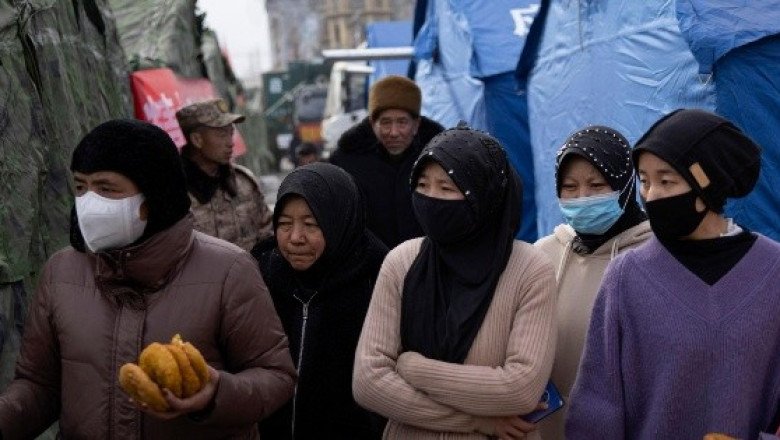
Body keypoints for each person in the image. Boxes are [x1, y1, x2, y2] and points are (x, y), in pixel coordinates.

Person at [0, 119, 296, 439]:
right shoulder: (61, 273)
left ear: (151, 197)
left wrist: (216, 393)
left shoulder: (228, 270)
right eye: (81, 187)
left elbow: (276, 376)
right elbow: (38, 385)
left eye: (106, 188)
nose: (88, 203)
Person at [566, 109, 780, 439]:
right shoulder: (627, 277)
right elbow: (597, 406)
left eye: (666, 181)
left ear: (707, 183)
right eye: (644, 181)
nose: (651, 196)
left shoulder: (773, 271)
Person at [352, 126, 557, 439]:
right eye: (422, 185)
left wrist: (413, 368)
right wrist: (475, 421)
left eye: (447, 188)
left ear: (484, 195)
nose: (431, 199)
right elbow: (368, 382)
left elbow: (520, 389)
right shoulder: (402, 262)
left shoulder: (529, 270)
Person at [252, 162, 389, 439]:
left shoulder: (379, 277)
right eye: (284, 224)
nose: (295, 238)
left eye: (312, 225)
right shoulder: (260, 275)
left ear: (339, 222)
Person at [534, 126, 651, 440]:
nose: (582, 199)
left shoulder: (655, 257)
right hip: (548, 426)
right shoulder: (544, 254)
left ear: (626, 187)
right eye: (569, 187)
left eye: (597, 185)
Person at [330, 75, 444, 249]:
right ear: (372, 123)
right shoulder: (346, 164)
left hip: (428, 263)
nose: (393, 132)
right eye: (385, 122)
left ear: (416, 124)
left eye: (402, 122)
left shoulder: (439, 159)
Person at [176, 98, 273, 251]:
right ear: (197, 139)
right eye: (222, 134)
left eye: (231, 132)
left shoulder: (244, 182)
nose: (231, 142)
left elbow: (268, 235)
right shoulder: (174, 193)